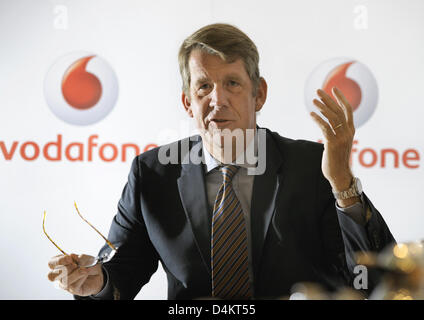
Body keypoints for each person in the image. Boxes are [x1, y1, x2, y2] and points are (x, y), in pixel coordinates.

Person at [47, 23, 395, 300]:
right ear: (187, 103)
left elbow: (371, 278)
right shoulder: (152, 173)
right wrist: (95, 283)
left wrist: (343, 187)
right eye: (203, 87)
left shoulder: (312, 165)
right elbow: (120, 274)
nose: (218, 100)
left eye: (232, 83)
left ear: (259, 94)